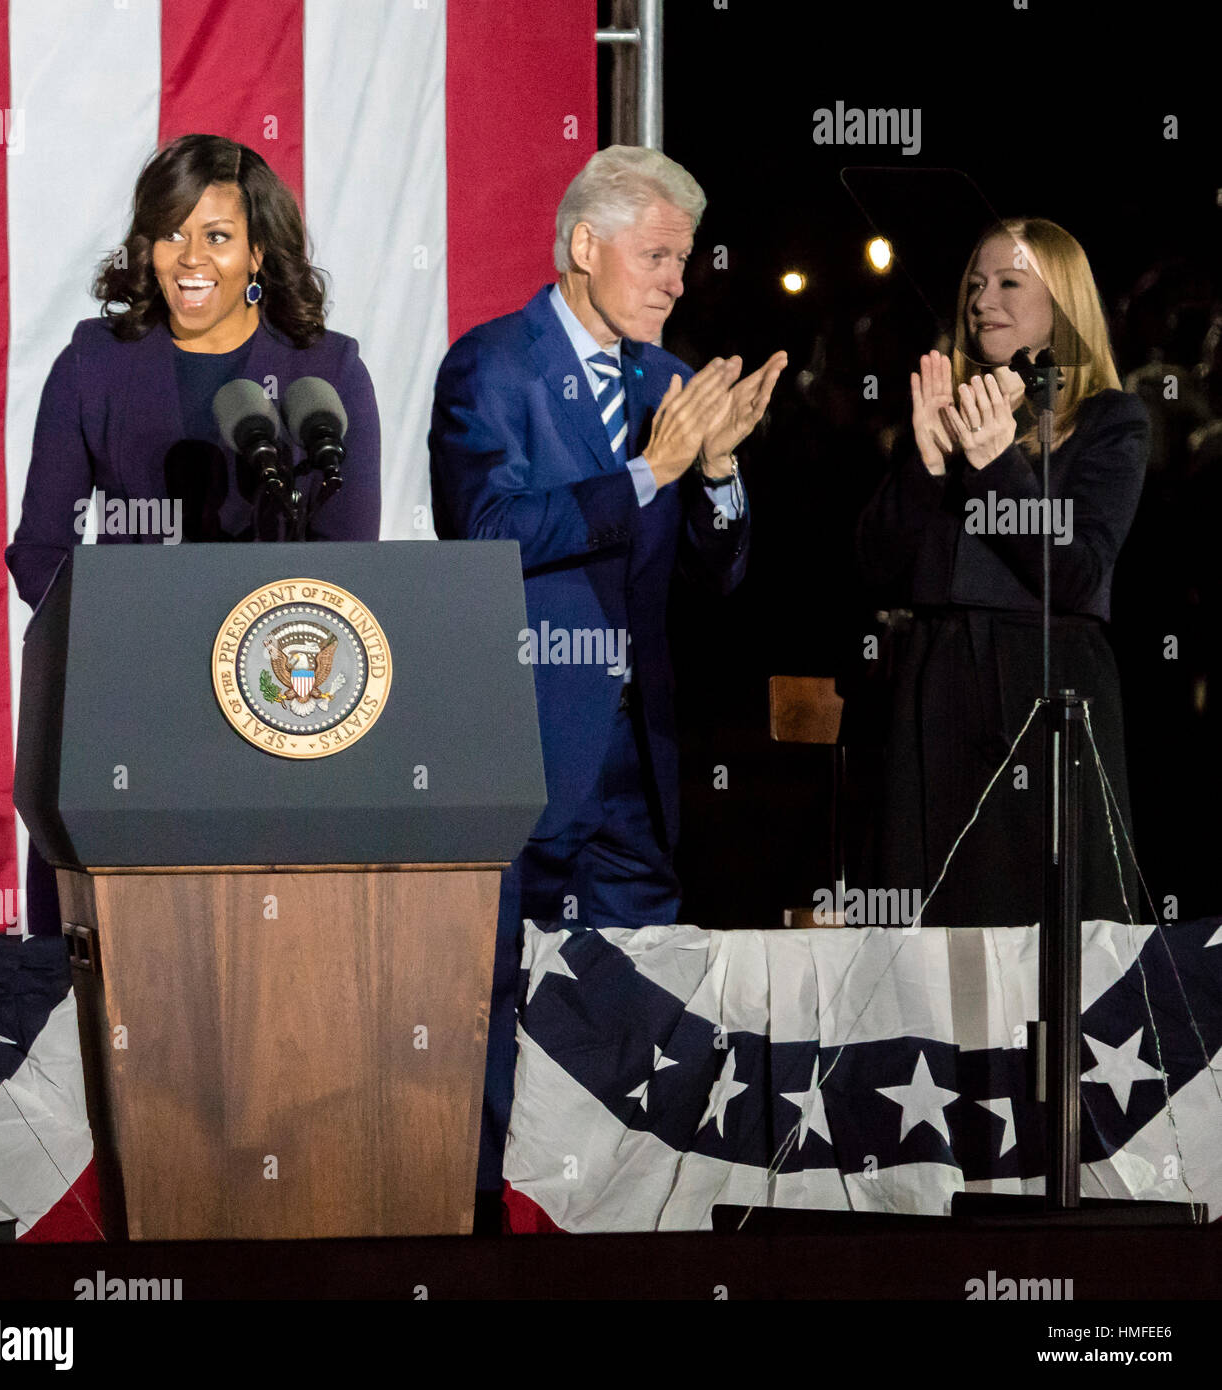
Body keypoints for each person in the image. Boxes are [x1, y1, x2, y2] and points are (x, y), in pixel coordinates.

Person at [428, 144, 786, 1216]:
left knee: (643, 1011)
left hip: (642, 769)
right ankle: (479, 1234)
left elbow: (718, 574)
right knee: (493, 1015)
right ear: (586, 247)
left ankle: (633, 1231)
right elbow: (482, 533)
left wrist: (716, 473)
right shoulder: (490, 366)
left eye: (685, 259)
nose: (680, 279)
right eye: (660, 255)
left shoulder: (673, 387)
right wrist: (646, 473)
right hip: (525, 754)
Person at [7, 133, 382, 935]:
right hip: (122, 711)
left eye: (216, 236)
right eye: (171, 232)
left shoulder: (328, 375)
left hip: (272, 721)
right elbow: (39, 548)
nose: (189, 257)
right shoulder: (93, 363)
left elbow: (350, 575)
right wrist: (114, 645)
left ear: (257, 254)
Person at [856, 218, 1148, 928]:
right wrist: (927, 467)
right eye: (976, 285)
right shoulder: (946, 415)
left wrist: (996, 467)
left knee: (1042, 935)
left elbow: (1075, 575)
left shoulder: (1113, 421)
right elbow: (874, 567)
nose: (983, 298)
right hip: (933, 690)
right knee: (927, 937)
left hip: (1046, 694)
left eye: (1010, 282)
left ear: (1064, 304)